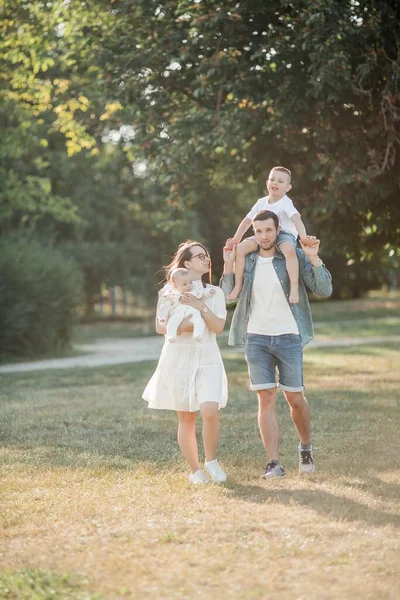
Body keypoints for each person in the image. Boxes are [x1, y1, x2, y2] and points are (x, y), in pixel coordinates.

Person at [220, 210, 332, 478]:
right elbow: (226, 300)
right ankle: (274, 463)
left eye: (268, 230)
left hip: (288, 336)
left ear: (277, 228)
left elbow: (324, 290)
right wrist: (226, 264)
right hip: (256, 338)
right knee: (265, 397)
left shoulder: (292, 256)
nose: (263, 236)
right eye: (258, 232)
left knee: (295, 398)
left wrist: (314, 257)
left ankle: (305, 445)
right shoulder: (247, 260)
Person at [142, 240, 228, 484]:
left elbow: (218, 326)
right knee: (186, 417)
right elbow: (160, 326)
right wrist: (186, 326)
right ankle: (195, 471)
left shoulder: (214, 293)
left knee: (209, 410)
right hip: (178, 357)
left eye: (206, 255)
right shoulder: (168, 294)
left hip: (207, 355)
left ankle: (211, 461)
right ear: (187, 263)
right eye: (200, 256)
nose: (206, 259)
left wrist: (200, 307)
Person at [225, 166, 317, 304]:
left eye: (280, 181)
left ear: (288, 187)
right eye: (272, 179)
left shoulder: (286, 202)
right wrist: (236, 239)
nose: (275, 183)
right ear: (267, 183)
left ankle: (293, 287)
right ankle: (238, 285)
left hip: (285, 234)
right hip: (263, 235)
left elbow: (296, 219)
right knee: (240, 249)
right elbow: (247, 221)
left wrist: (303, 237)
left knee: (289, 251)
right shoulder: (261, 202)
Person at [158, 267, 216, 344]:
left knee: (199, 321)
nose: (189, 285)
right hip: (178, 313)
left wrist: (209, 292)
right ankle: (171, 335)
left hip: (193, 313)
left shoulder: (194, 290)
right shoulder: (173, 294)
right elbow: (165, 306)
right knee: (172, 321)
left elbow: (202, 293)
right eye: (185, 284)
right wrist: (162, 317)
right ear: (175, 286)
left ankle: (197, 334)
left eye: (190, 282)